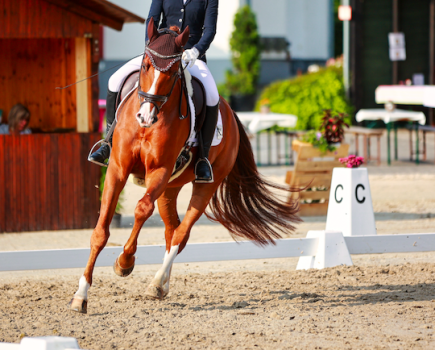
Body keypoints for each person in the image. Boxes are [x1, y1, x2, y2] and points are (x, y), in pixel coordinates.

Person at [89, 0, 219, 183]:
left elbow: (210, 30)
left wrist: (196, 51)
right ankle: (107, 144)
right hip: (160, 53)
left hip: (190, 55)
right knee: (114, 80)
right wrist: (151, 46)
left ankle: (202, 158)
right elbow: (152, 18)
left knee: (212, 95)